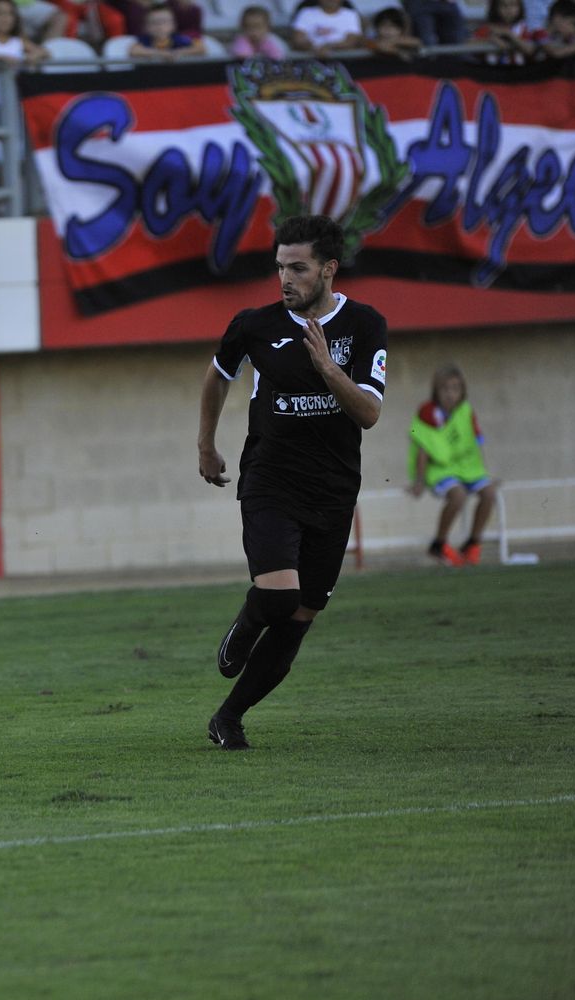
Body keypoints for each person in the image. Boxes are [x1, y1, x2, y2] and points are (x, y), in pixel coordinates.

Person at [196, 214, 388, 750]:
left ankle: (228, 719)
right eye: (280, 267)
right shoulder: (254, 325)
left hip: (333, 492)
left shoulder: (366, 325)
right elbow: (218, 374)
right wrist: (206, 444)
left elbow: (369, 414)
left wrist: (329, 369)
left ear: (329, 269)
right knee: (279, 599)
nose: (285, 279)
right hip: (270, 480)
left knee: (299, 618)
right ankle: (244, 622)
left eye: (298, 268)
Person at [408, 365, 498, 566]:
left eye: (455, 388)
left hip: (468, 469)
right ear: (436, 391)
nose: (450, 393)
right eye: (445, 388)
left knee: (490, 493)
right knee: (458, 495)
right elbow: (422, 449)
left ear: (462, 390)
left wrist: (484, 472)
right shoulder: (427, 413)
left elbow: (476, 443)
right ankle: (439, 543)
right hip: (441, 470)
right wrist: (419, 481)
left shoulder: (466, 411)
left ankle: (473, 543)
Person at [0, 0, 45, 191]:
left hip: (9, 103)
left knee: (10, 152)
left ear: (15, 18)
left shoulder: (19, 41)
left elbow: (44, 53)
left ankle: (10, 195)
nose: (4, 18)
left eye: (8, 13)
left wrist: (33, 56)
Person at [535, 0, 575, 76]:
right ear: (557, 18)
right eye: (571, 23)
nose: (574, 29)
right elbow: (555, 53)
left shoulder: (566, 37)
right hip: (538, 75)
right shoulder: (540, 34)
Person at [127, 2, 206, 57]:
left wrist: (176, 53)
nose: (160, 26)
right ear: (146, 27)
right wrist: (160, 54)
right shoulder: (145, 40)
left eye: (164, 21)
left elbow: (200, 48)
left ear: (173, 25)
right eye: (155, 22)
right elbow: (134, 50)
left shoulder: (178, 39)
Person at [290, 0, 364, 55]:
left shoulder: (351, 14)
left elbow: (352, 41)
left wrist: (328, 47)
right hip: (310, 62)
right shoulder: (306, 13)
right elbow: (298, 40)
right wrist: (314, 48)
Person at [472, 0, 537, 62]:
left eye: (513, 5)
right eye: (503, 5)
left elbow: (530, 49)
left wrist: (509, 34)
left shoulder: (524, 28)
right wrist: (490, 40)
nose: (508, 9)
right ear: (495, 8)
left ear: (520, 7)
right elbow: (469, 45)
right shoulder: (487, 28)